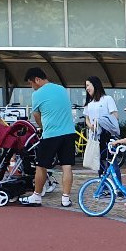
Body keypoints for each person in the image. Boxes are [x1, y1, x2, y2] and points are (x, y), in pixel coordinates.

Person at [20, 68, 74, 207]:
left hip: (50, 134)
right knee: (66, 166)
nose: (31, 87)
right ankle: (66, 198)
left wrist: (41, 127)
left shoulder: (37, 94)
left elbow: (37, 116)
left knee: (41, 165)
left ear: (37, 80)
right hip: (68, 132)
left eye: (31, 83)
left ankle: (36, 196)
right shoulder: (62, 89)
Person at [83, 76, 121, 183]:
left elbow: (115, 115)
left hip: (108, 135)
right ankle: (104, 185)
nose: (87, 88)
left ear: (95, 85)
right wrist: (91, 125)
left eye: (88, 85)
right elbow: (87, 119)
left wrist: (103, 122)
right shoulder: (89, 104)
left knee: (112, 161)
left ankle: (118, 186)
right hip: (96, 137)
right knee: (99, 161)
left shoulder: (107, 99)